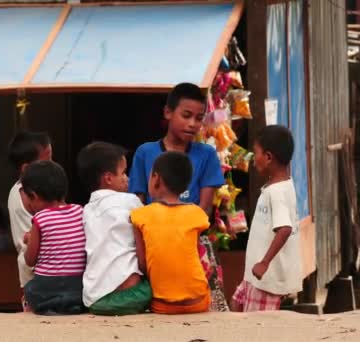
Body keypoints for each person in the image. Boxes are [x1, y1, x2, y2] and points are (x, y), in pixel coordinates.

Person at [128, 82, 228, 311]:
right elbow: (137, 203)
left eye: (198, 117)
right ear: (168, 112)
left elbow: (204, 209)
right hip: (154, 241)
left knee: (205, 310)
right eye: (186, 115)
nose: (193, 124)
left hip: (194, 242)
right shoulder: (145, 153)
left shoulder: (207, 154)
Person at [230, 125, 303, 312]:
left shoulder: (277, 193)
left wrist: (264, 262)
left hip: (266, 280)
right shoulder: (277, 187)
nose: (254, 161)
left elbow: (284, 228)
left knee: (256, 325)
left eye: (256, 154)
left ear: (268, 157)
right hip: (254, 277)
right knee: (236, 305)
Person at [131, 152, 211, 314]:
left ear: (156, 178)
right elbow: (194, 253)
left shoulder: (140, 215)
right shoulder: (197, 213)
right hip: (199, 302)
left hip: (163, 305)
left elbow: (142, 264)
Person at [77, 142, 151, 316]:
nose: (128, 178)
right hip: (130, 296)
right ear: (108, 178)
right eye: (123, 173)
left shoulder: (86, 210)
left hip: (94, 300)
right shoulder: (131, 202)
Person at [20, 161, 86, 315]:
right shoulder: (81, 212)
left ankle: (39, 308)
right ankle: (70, 305)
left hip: (46, 289)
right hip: (78, 289)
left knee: (29, 288)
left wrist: (30, 241)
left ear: (34, 196)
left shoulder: (40, 219)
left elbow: (30, 260)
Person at [7, 131, 52, 312]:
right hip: (35, 266)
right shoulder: (28, 194)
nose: (52, 167)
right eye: (47, 163)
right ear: (26, 169)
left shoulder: (31, 189)